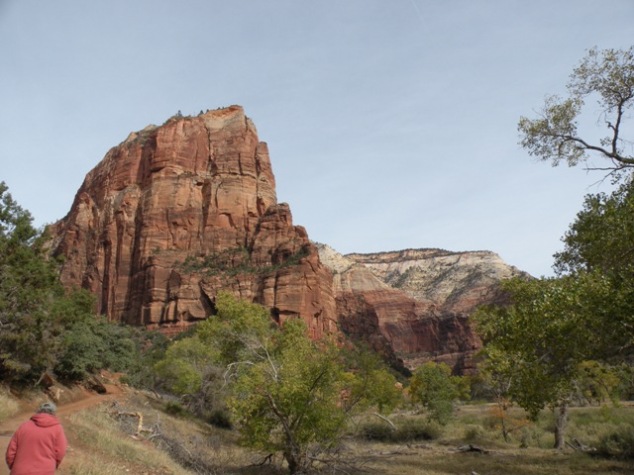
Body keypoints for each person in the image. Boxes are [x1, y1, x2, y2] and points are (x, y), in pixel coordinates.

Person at [5, 402, 68, 475]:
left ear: (38, 411)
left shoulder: (24, 426)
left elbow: (10, 452)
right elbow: (61, 452)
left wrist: (15, 467)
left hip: (20, 471)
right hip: (45, 471)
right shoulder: (57, 428)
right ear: (53, 413)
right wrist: (53, 465)